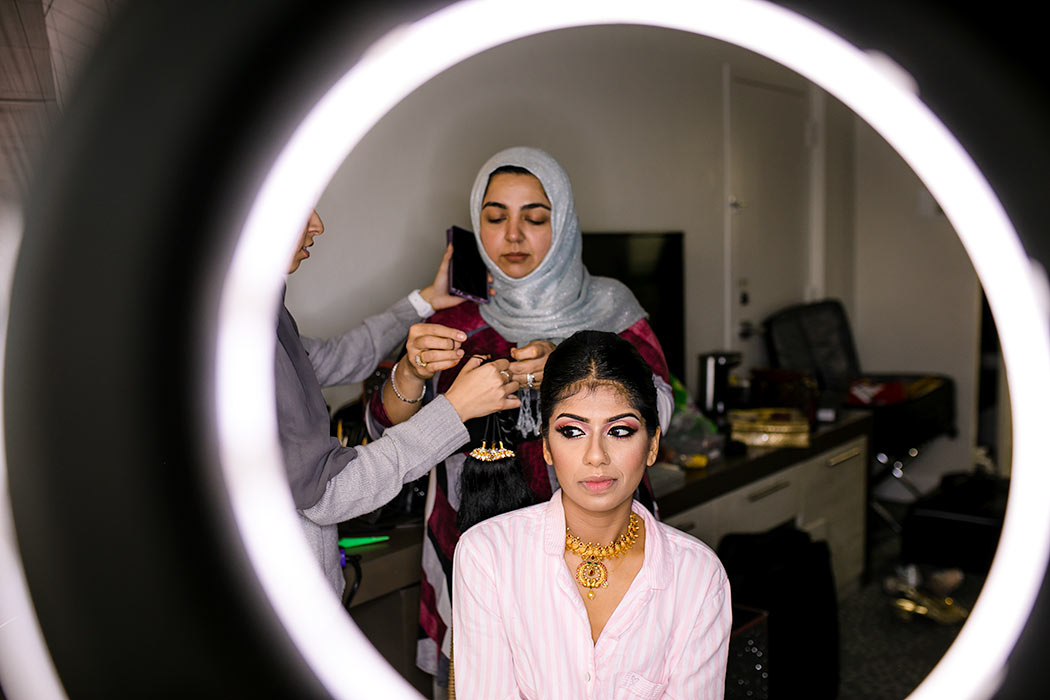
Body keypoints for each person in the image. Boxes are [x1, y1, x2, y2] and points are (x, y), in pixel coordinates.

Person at [366, 147, 674, 687]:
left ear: (565, 221)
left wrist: (569, 371)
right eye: (494, 218)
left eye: (534, 218)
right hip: (471, 540)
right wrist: (412, 374)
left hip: (599, 546)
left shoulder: (610, 306)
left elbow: (660, 410)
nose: (513, 236)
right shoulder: (455, 319)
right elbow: (386, 432)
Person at [452, 330, 732, 698]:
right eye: (572, 431)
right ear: (547, 447)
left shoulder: (698, 575)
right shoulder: (486, 554)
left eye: (619, 431)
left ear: (652, 446)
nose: (595, 456)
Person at [277, 209, 520, 596]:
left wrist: (424, 301)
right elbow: (328, 492)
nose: (319, 224)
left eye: (535, 218)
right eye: (493, 217)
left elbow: (334, 358)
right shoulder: (238, 342)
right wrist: (451, 407)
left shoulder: (265, 317)